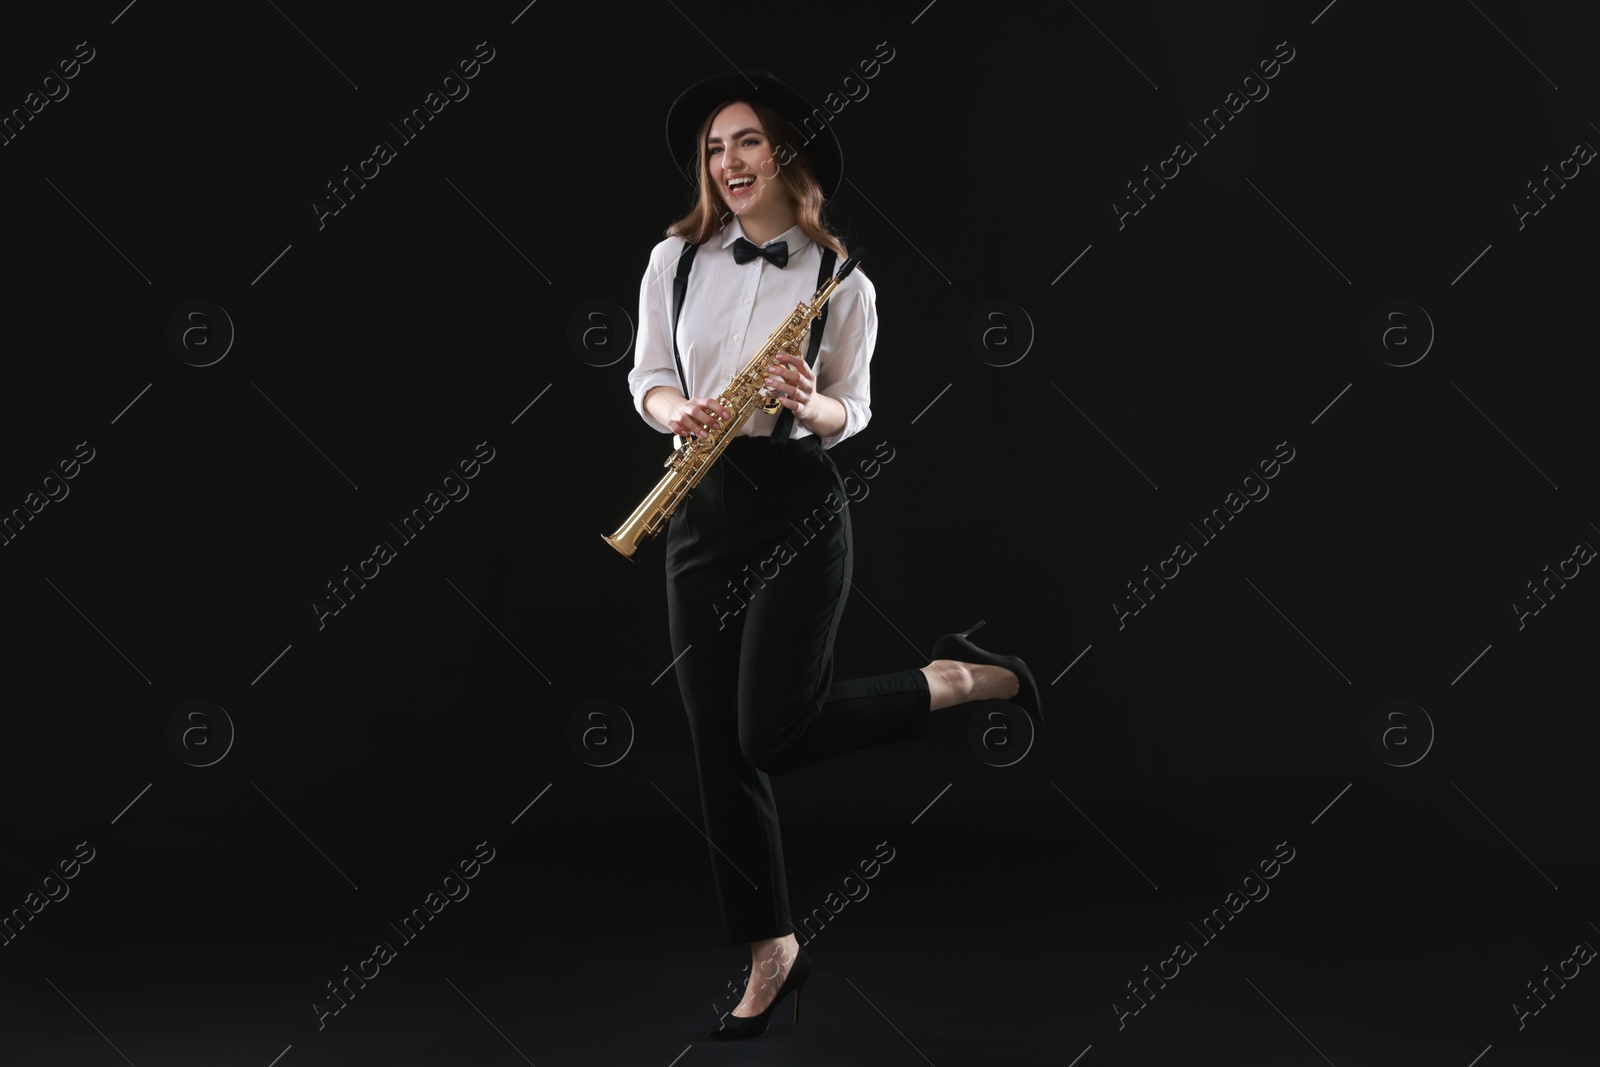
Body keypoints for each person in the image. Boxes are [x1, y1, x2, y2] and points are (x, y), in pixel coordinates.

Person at [626, 70, 1043, 1041]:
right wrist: (670, 408)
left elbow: (851, 409)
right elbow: (645, 370)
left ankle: (950, 679)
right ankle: (772, 947)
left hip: (797, 505)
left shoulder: (839, 281)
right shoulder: (672, 260)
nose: (728, 162)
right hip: (699, 501)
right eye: (715, 147)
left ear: (786, 156)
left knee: (771, 731)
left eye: (747, 143)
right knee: (716, 746)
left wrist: (807, 401)